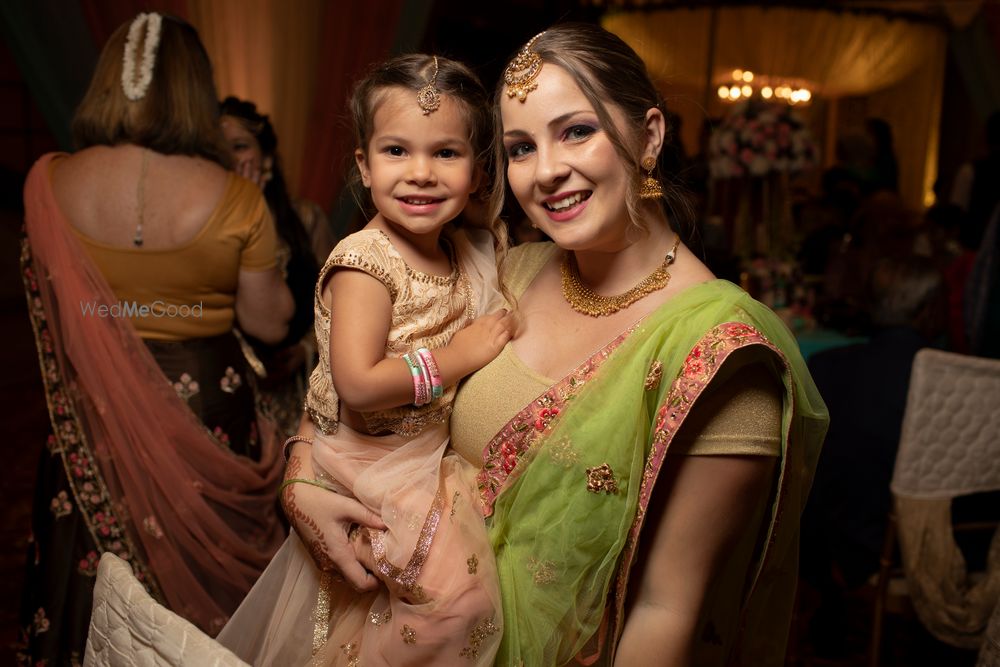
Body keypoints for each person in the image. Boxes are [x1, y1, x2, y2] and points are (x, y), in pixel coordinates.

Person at [281, 24, 829, 667]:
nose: (546, 172)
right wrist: (298, 482)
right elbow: (359, 386)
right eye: (519, 147)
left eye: (576, 131)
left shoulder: (720, 356)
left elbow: (666, 612)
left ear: (648, 136)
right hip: (394, 633)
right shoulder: (502, 271)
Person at [218, 54, 514, 665]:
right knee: (457, 606)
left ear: (480, 171)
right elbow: (357, 383)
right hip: (370, 463)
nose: (422, 174)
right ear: (364, 164)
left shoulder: (465, 247)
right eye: (397, 152)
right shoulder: (367, 263)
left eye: (447, 154)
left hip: (419, 457)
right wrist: (456, 357)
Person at [17, 13, 292, 665]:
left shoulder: (46, 184)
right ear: (196, 90)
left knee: (92, 580)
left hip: (93, 417)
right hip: (206, 418)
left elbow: (60, 308)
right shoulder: (236, 197)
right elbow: (269, 323)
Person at [219, 97, 324, 437]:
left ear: (265, 157)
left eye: (239, 146)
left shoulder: (305, 220)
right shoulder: (203, 231)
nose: (229, 159)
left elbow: (338, 303)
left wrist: (307, 348)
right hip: (233, 389)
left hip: (299, 390)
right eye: (219, 150)